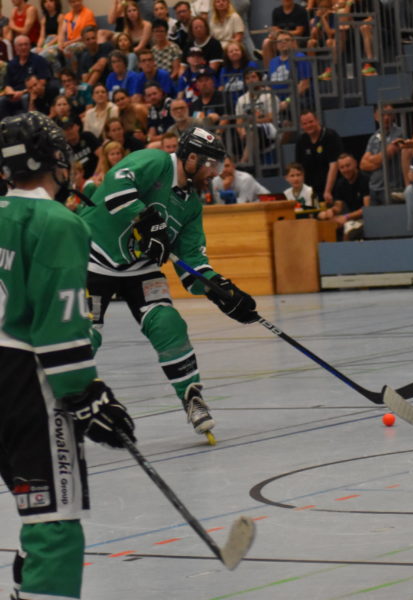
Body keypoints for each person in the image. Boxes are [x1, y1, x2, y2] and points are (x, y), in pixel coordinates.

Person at [0, 111, 134, 600]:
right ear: (55, 161)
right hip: (25, 379)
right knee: (55, 518)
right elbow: (58, 323)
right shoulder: (58, 221)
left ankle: (25, 574)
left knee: (29, 499)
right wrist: (87, 395)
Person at [79, 127, 259, 437]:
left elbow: (192, 264)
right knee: (84, 332)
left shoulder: (191, 204)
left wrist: (221, 290)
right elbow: (114, 185)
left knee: (167, 323)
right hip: (94, 257)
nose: (214, 174)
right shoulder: (155, 162)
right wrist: (145, 218)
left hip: (141, 268)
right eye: (210, 165)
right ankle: (61, 398)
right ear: (191, 158)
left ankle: (191, 396)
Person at [295, 109, 343, 204]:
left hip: (332, 189)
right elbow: (299, 169)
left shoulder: (330, 136)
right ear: (301, 126)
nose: (308, 125)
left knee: (330, 216)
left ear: (317, 120)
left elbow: (334, 165)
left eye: (311, 122)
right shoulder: (301, 141)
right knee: (314, 216)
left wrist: (328, 191)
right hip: (312, 191)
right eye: (304, 123)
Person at [318, 153, 371, 240]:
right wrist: (331, 211)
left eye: (348, 166)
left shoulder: (365, 180)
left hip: (367, 219)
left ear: (355, 164)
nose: (345, 170)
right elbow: (338, 206)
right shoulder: (340, 184)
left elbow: (367, 209)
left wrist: (346, 217)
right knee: (327, 225)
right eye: (342, 167)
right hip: (351, 219)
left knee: (348, 230)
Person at [360, 103, 404, 205]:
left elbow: (385, 156)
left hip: (391, 188)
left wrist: (373, 159)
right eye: (383, 115)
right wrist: (379, 160)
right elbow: (362, 164)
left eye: (389, 114)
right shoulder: (374, 137)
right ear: (375, 116)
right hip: (373, 187)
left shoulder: (400, 133)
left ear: (393, 116)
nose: (386, 117)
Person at [0, 34, 52, 118]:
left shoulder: (39, 60)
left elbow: (42, 81)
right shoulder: (12, 63)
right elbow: (7, 84)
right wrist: (12, 93)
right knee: (1, 101)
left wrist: (22, 92)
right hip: (15, 95)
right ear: (15, 48)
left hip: (30, 93)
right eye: (20, 45)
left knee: (25, 98)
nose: (24, 47)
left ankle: (28, 126)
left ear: (30, 46)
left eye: (26, 44)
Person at [234, 67, 280, 163]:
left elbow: (271, 118)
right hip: (248, 131)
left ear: (259, 78)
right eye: (247, 78)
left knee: (253, 130)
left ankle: (244, 162)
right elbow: (239, 122)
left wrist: (252, 121)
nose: (251, 80)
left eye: (253, 77)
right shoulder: (241, 99)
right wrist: (241, 131)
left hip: (268, 130)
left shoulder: (268, 95)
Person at [269, 30, 312, 113]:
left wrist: (288, 101)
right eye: (280, 41)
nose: (283, 42)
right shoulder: (273, 62)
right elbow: (270, 85)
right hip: (277, 104)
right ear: (276, 45)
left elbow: (304, 84)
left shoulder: (300, 57)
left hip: (297, 103)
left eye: (287, 40)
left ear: (293, 42)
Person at [262, 0, 309, 68]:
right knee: (266, 42)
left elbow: (299, 32)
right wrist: (274, 34)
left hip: (297, 39)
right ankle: (268, 72)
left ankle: (296, 70)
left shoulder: (300, 10)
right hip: (280, 39)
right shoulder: (276, 11)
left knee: (290, 41)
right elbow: (275, 30)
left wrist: (282, 32)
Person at [218, 40, 257, 111]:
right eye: (231, 51)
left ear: (242, 52)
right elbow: (222, 87)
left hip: (249, 102)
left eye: (237, 50)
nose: (234, 52)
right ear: (227, 55)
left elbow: (255, 84)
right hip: (230, 105)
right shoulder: (224, 69)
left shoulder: (251, 65)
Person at [190, 66, 227, 131]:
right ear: (197, 85)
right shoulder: (194, 105)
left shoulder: (223, 98)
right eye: (200, 81)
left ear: (213, 81)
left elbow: (227, 117)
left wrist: (217, 134)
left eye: (207, 80)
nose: (204, 84)